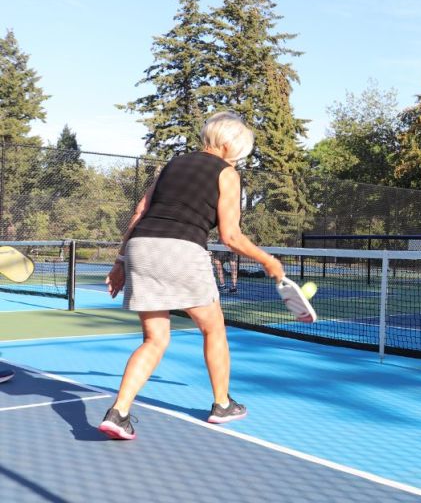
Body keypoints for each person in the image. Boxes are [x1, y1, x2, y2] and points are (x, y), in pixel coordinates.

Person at [100, 111, 284, 440]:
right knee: (213, 328)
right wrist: (267, 260)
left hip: (142, 247)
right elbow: (231, 236)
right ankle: (222, 403)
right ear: (229, 144)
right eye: (240, 148)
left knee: (155, 339)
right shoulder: (227, 174)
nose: (239, 156)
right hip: (182, 249)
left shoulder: (171, 165)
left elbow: (140, 211)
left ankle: (119, 412)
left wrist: (119, 261)